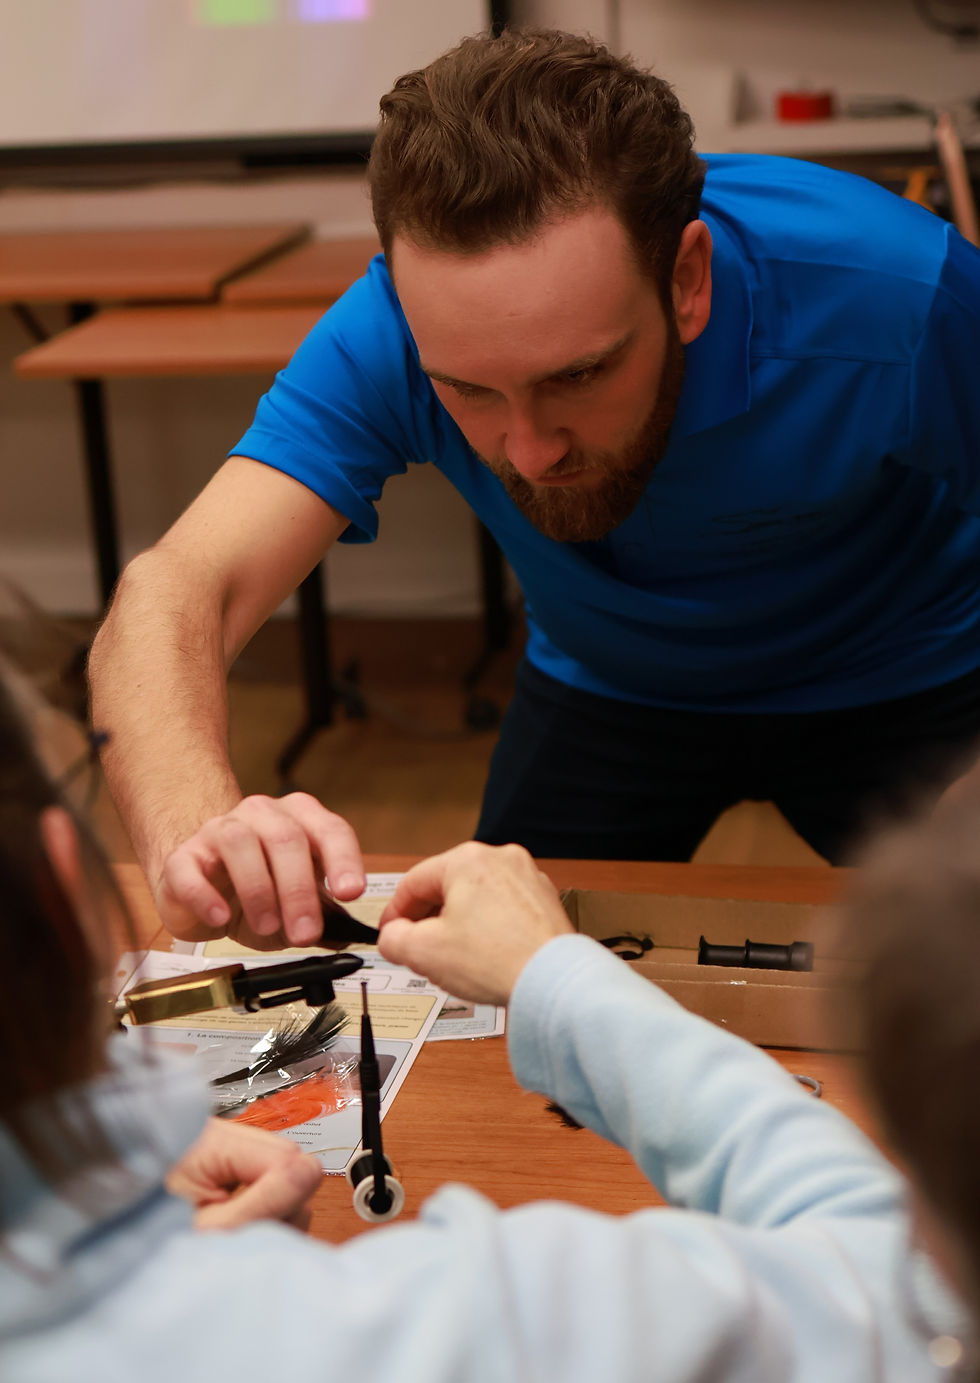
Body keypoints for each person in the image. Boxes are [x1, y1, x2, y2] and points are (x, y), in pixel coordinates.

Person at [88, 28, 980, 950]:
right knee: (486, 1009)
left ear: (686, 281)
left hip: (909, 672)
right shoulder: (394, 329)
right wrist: (197, 830)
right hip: (611, 683)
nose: (530, 451)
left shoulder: (901, 294)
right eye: (469, 390)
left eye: (579, 375)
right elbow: (176, 590)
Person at [1, 652, 976, 1382]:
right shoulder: (501, 1322)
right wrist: (557, 975)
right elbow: (876, 1279)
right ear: (60, 892)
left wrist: (88, 1202)